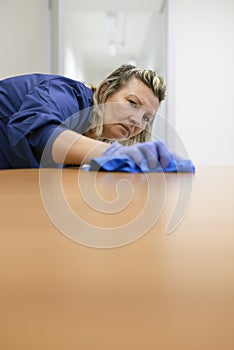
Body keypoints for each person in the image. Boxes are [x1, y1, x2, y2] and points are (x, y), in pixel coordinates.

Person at [0, 64, 171, 170]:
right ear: (104, 91)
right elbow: (38, 133)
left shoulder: (93, 135)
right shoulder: (67, 95)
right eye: (133, 103)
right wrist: (116, 154)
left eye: (147, 118)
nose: (137, 121)